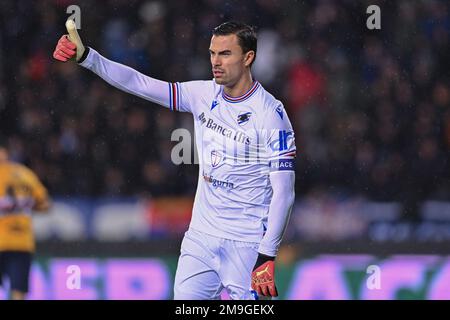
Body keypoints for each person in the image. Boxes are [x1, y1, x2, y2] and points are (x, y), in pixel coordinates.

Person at [53, 21, 296, 300]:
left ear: (248, 57)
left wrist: (267, 254)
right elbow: (140, 84)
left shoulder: (271, 115)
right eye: (212, 53)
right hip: (201, 238)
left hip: (247, 244)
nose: (215, 62)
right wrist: (88, 58)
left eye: (225, 54)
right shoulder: (203, 94)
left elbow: (284, 192)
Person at [0, 141, 51, 300]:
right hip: (22, 242)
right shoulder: (26, 175)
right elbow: (45, 204)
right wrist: (24, 206)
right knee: (19, 291)